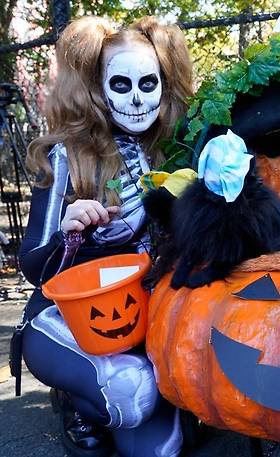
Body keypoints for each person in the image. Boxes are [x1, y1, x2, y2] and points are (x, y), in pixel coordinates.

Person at [15, 15, 193, 457]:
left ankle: (104, 400)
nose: (136, 99)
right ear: (96, 89)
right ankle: (79, 401)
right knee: (129, 395)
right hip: (68, 320)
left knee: (159, 449)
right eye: (120, 85)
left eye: (148, 84)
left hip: (140, 319)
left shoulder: (166, 152)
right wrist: (66, 232)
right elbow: (33, 264)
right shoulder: (65, 157)